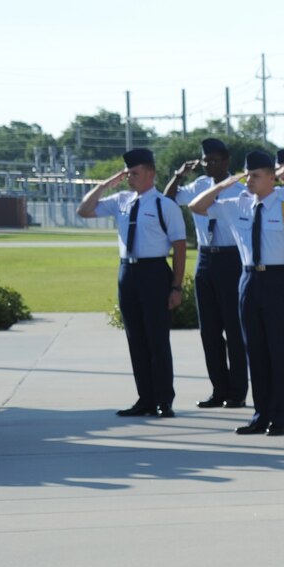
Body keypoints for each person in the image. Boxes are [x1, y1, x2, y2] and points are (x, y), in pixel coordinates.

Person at [185, 150, 284, 436]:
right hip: (248, 280)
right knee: (254, 352)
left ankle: (279, 418)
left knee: (279, 353)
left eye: (256, 175)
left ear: (271, 177)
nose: (250, 180)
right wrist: (226, 183)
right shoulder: (237, 205)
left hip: (279, 281)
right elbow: (196, 206)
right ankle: (260, 415)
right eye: (247, 175)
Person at [80, 147, 186, 417]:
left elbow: (180, 247)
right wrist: (104, 185)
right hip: (128, 272)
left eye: (135, 173)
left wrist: (176, 287)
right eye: (127, 173)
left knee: (157, 340)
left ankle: (164, 400)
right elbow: (85, 210)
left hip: (154, 272)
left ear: (150, 173)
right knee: (135, 339)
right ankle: (145, 399)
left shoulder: (165, 205)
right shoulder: (121, 200)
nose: (130, 178)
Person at [169, 138, 248, 409]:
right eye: (205, 160)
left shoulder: (238, 188)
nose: (208, 164)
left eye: (213, 160)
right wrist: (179, 176)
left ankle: (237, 391)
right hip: (205, 258)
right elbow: (168, 199)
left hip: (231, 258)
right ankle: (219, 389)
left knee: (234, 329)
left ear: (226, 161)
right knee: (209, 331)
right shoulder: (199, 186)